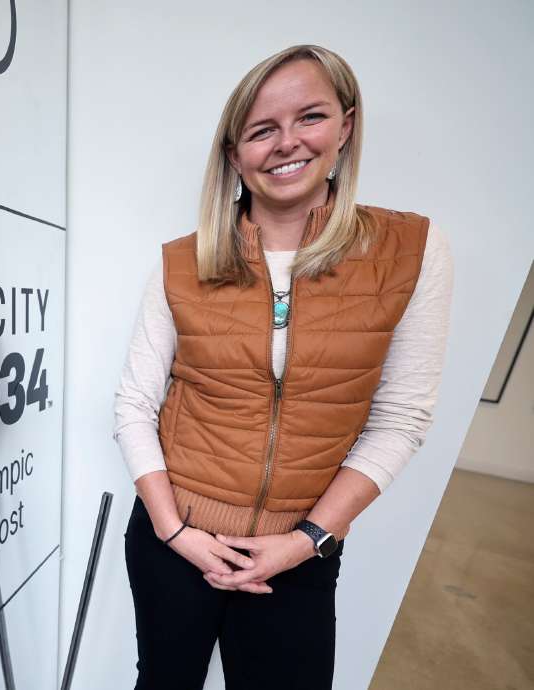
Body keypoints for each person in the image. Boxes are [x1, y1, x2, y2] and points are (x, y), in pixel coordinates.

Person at [113, 45, 452, 689]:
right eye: (262, 129)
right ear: (234, 153)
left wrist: (304, 542)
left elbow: (402, 418)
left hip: (301, 547)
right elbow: (134, 405)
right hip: (174, 539)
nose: (287, 143)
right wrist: (175, 530)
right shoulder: (183, 262)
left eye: (311, 117)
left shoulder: (412, 250)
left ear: (347, 126)